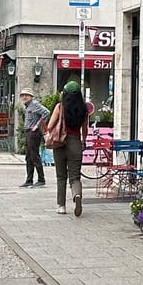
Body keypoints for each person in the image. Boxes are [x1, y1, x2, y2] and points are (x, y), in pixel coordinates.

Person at [44, 80, 94, 217]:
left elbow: (49, 126)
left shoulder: (60, 107)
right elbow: (85, 130)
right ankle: (77, 195)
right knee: (74, 176)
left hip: (60, 143)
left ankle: (61, 206)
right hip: (75, 143)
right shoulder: (84, 110)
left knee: (61, 176)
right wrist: (83, 142)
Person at [18, 89, 47, 188]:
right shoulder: (28, 106)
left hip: (33, 133)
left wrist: (37, 125)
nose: (24, 97)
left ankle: (41, 179)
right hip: (28, 132)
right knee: (28, 157)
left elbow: (46, 112)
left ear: (31, 96)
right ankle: (29, 180)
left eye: (26, 95)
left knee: (34, 156)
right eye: (23, 95)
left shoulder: (34, 104)